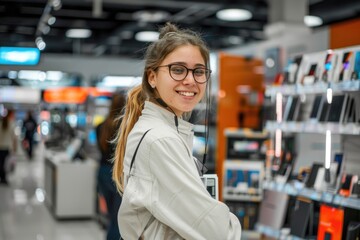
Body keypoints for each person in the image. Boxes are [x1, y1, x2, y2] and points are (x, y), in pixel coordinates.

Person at [112, 22, 241, 240]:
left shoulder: (166, 131)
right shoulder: (160, 139)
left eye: (199, 71)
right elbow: (215, 233)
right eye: (178, 70)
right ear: (152, 77)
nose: (190, 80)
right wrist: (232, 225)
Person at [96, 94, 125, 240]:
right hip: (116, 174)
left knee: (111, 216)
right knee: (117, 219)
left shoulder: (100, 126)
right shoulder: (124, 126)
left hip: (102, 172)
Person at [0, 109, 17, 185]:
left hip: (0, 146)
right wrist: (14, 148)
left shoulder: (1, 123)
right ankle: (3, 178)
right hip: (7, 147)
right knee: (5, 164)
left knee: (1, 163)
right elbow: (13, 138)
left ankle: (2, 177)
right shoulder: (11, 124)